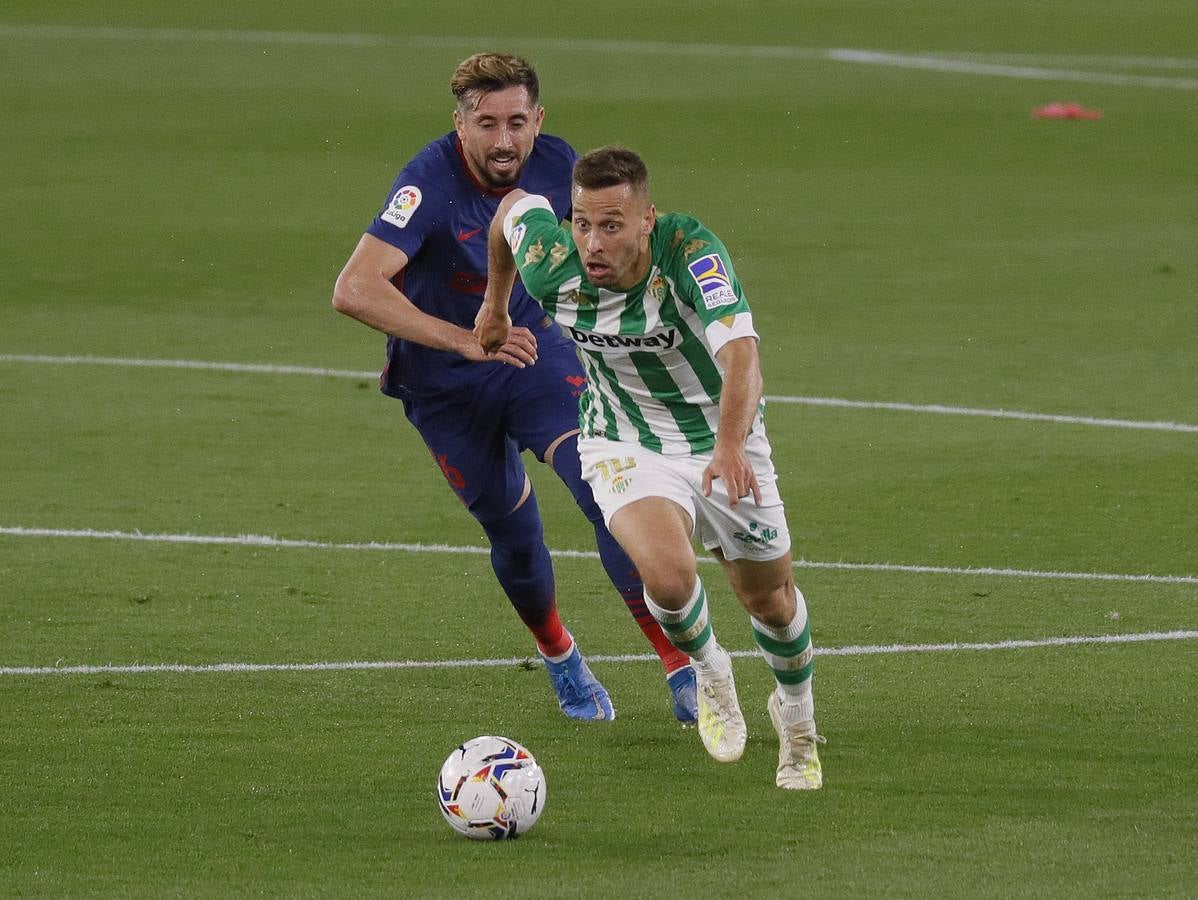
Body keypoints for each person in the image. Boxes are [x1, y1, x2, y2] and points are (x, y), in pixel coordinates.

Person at [331, 55, 697, 724]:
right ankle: (561, 656)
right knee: (514, 529)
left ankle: (680, 667)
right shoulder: (427, 184)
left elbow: (625, 228)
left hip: (533, 355)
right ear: (460, 123)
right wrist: (463, 339)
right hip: (443, 384)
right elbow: (353, 288)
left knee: (604, 492)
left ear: (539, 122)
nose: (504, 141)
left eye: (517, 123)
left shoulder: (561, 166)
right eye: (487, 123)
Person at [476, 146, 823, 788]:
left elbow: (742, 354)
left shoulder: (690, 251)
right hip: (623, 439)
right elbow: (510, 211)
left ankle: (797, 721)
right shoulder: (553, 265)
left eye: (612, 225)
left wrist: (728, 447)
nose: (592, 242)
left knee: (770, 602)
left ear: (647, 221)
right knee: (666, 577)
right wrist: (496, 305)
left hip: (722, 437)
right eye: (582, 223)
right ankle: (712, 673)